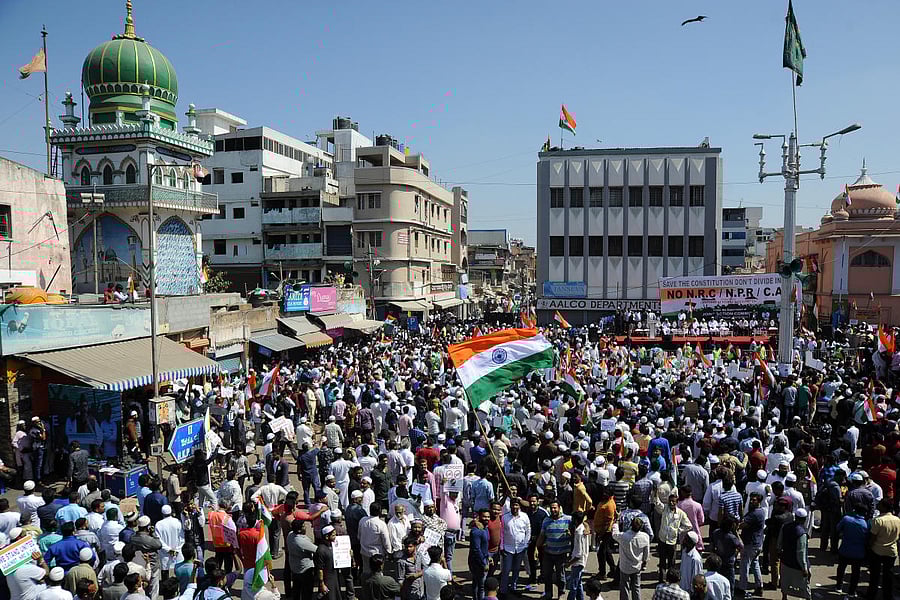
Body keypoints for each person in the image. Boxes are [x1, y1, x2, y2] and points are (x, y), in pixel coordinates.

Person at [538, 499, 571, 600]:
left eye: (555, 508)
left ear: (559, 508)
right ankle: (548, 593)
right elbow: (542, 535)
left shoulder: (568, 519)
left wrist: (586, 528)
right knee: (547, 575)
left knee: (560, 576)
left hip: (561, 554)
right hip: (548, 553)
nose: (553, 510)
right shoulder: (546, 520)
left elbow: (582, 522)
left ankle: (561, 593)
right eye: (551, 508)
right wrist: (536, 548)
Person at [866, 499, 899, 600]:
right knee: (888, 576)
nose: (878, 506)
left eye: (880, 504)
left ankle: (871, 595)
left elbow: (872, 538)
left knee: (874, 576)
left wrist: (868, 548)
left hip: (877, 551)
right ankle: (887, 596)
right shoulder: (897, 520)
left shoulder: (878, 520)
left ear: (884, 507)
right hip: (891, 551)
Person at [612, 517, 650, 600]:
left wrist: (616, 523)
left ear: (631, 525)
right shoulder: (645, 537)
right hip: (637, 566)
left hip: (625, 567)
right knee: (636, 587)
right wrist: (644, 562)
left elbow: (614, 534)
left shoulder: (624, 536)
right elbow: (646, 553)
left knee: (624, 587)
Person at [777, 508, 810, 600]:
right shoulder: (802, 533)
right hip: (797, 564)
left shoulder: (785, 526)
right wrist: (804, 568)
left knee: (785, 581)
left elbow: (779, 542)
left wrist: (779, 552)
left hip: (785, 560)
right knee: (804, 584)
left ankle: (784, 597)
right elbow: (801, 552)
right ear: (804, 519)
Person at [500, 497, 531, 597]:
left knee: (516, 569)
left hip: (521, 548)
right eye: (513, 505)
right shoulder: (505, 518)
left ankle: (513, 587)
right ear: (510, 506)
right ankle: (503, 590)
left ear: (519, 506)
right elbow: (501, 533)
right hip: (508, 548)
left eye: (516, 505)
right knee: (506, 570)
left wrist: (526, 543)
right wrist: (502, 547)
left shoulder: (524, 516)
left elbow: (528, 530)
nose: (515, 507)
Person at [567, 510, 590, 600]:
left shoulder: (579, 532)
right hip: (581, 561)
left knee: (573, 585)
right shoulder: (582, 528)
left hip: (578, 562)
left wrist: (569, 563)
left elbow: (579, 553)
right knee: (578, 583)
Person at [470, 508, 491, 600]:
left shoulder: (484, 528)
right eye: (484, 516)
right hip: (477, 562)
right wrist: (484, 563)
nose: (487, 518)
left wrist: (488, 557)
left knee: (477, 583)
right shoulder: (477, 531)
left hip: (482, 559)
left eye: (488, 517)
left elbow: (484, 546)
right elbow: (476, 549)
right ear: (480, 517)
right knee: (481, 586)